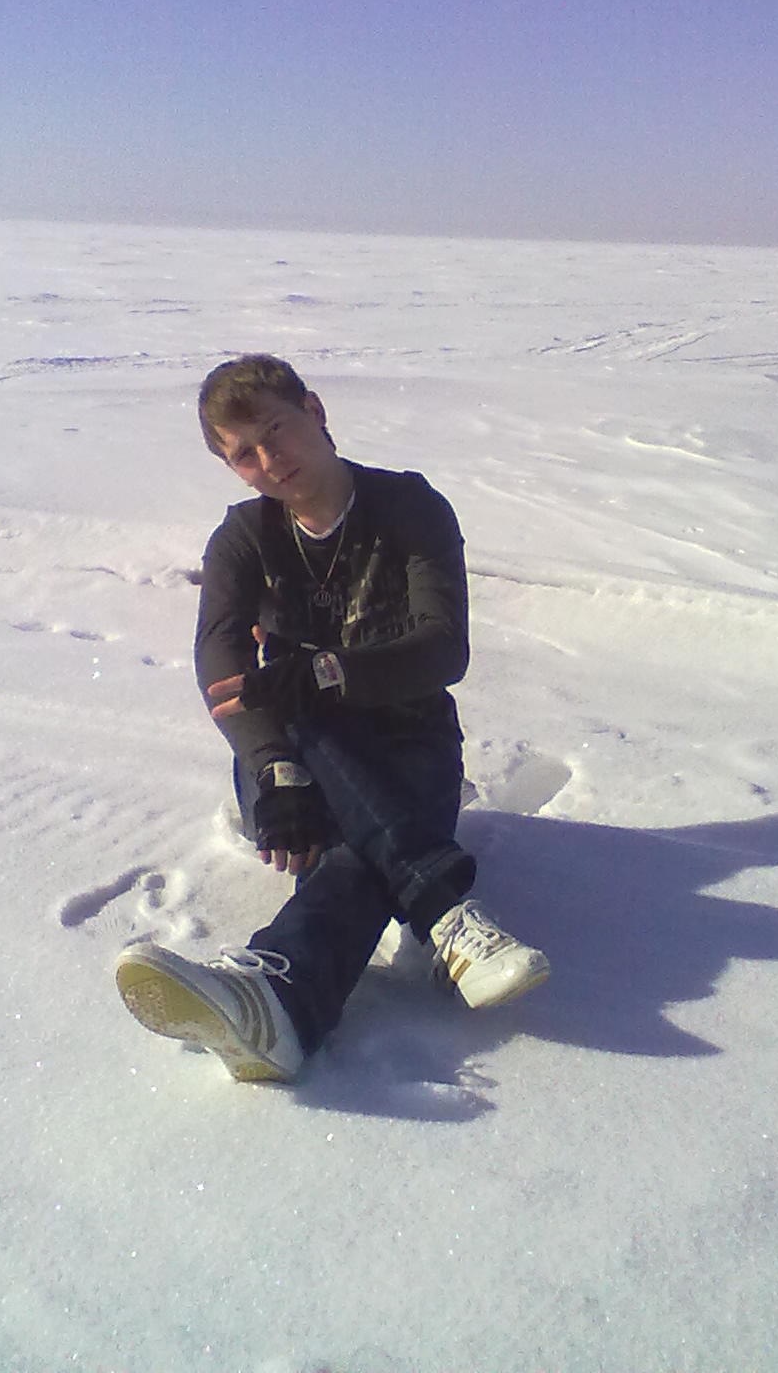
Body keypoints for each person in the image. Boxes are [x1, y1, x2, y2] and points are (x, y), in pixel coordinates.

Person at [115, 354, 548, 1082]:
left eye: (275, 432)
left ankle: (274, 1004)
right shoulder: (244, 538)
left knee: (352, 854)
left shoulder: (408, 508)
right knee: (305, 729)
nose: (268, 461)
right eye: (243, 455)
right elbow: (223, 674)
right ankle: (442, 911)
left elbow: (444, 649)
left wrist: (324, 672)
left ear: (315, 412)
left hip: (411, 746)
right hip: (296, 766)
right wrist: (272, 768)